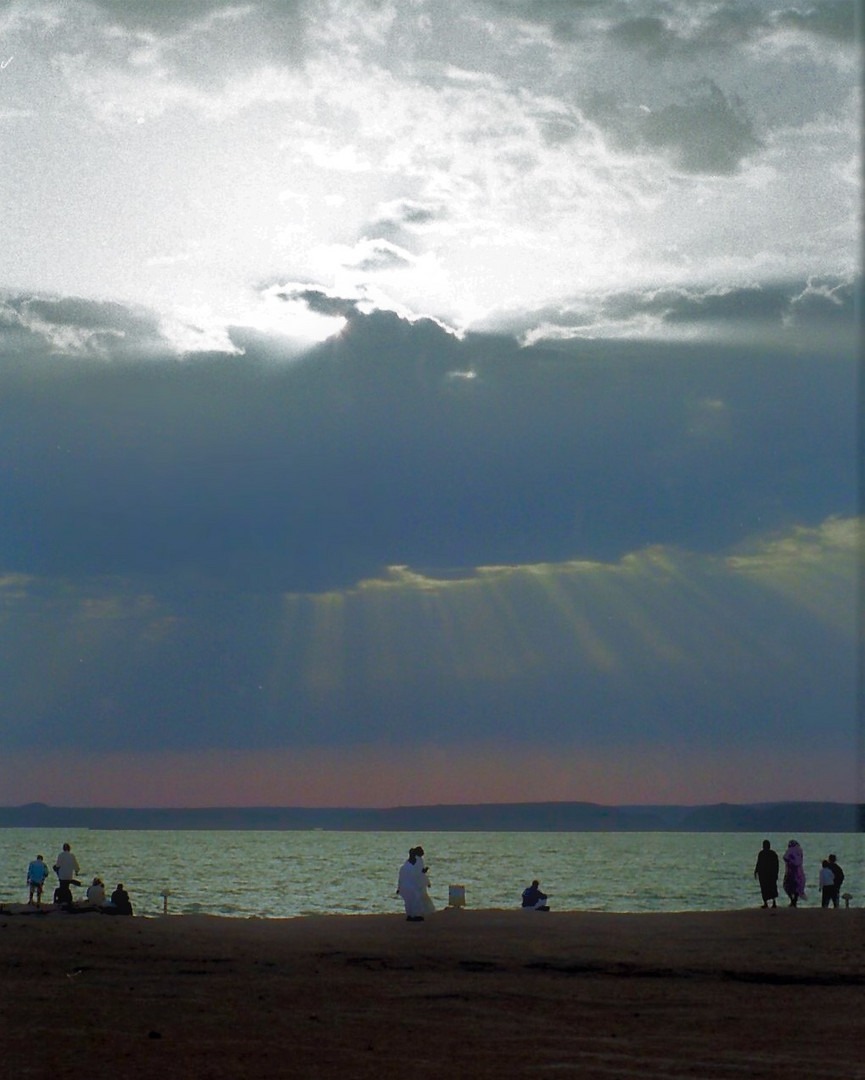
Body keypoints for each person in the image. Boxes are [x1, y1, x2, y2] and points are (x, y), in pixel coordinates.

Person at [397, 845, 433, 921]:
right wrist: (427, 881)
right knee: (415, 900)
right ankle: (415, 915)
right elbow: (419, 874)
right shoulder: (416, 862)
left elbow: (401, 878)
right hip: (412, 886)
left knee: (409, 901)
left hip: (406, 886)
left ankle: (410, 915)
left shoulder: (405, 865)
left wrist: (399, 888)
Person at [753, 840, 779, 909]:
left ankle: (768, 903)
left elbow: (758, 864)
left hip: (765, 874)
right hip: (768, 874)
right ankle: (772, 903)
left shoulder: (762, 853)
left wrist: (756, 871)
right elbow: (776, 865)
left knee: (765, 888)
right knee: (770, 888)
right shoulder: (772, 854)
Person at [782, 839, 806, 906]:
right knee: (797, 887)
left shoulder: (790, 850)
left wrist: (790, 862)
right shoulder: (800, 850)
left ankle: (792, 900)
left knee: (787, 886)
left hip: (791, 871)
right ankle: (795, 900)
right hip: (799, 871)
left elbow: (785, 857)